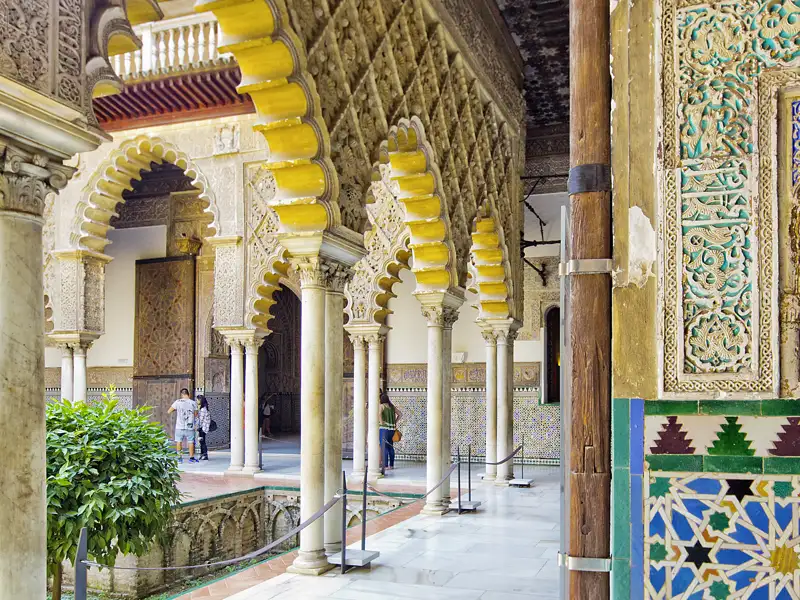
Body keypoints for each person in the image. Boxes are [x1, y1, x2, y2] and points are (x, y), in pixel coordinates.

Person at [168, 388, 198, 463]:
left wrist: (176, 409)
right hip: (190, 425)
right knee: (190, 441)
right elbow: (196, 414)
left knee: (179, 441)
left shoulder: (177, 402)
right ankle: (191, 458)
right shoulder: (193, 403)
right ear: (188, 394)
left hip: (179, 426)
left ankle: (179, 458)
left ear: (181, 394)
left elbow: (169, 411)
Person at [379, 391, 401, 472]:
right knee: (390, 447)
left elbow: (379, 414)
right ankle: (391, 465)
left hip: (384, 429)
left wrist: (381, 422)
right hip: (392, 430)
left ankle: (385, 465)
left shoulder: (382, 406)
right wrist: (395, 422)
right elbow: (400, 414)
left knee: (384, 447)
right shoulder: (392, 407)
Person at [197, 395, 211, 461]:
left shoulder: (203, 409)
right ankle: (203, 454)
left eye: (198, 400)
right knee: (202, 441)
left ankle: (204, 455)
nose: (197, 401)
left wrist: (197, 426)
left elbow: (201, 419)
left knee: (202, 442)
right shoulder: (205, 408)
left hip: (202, 428)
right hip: (205, 428)